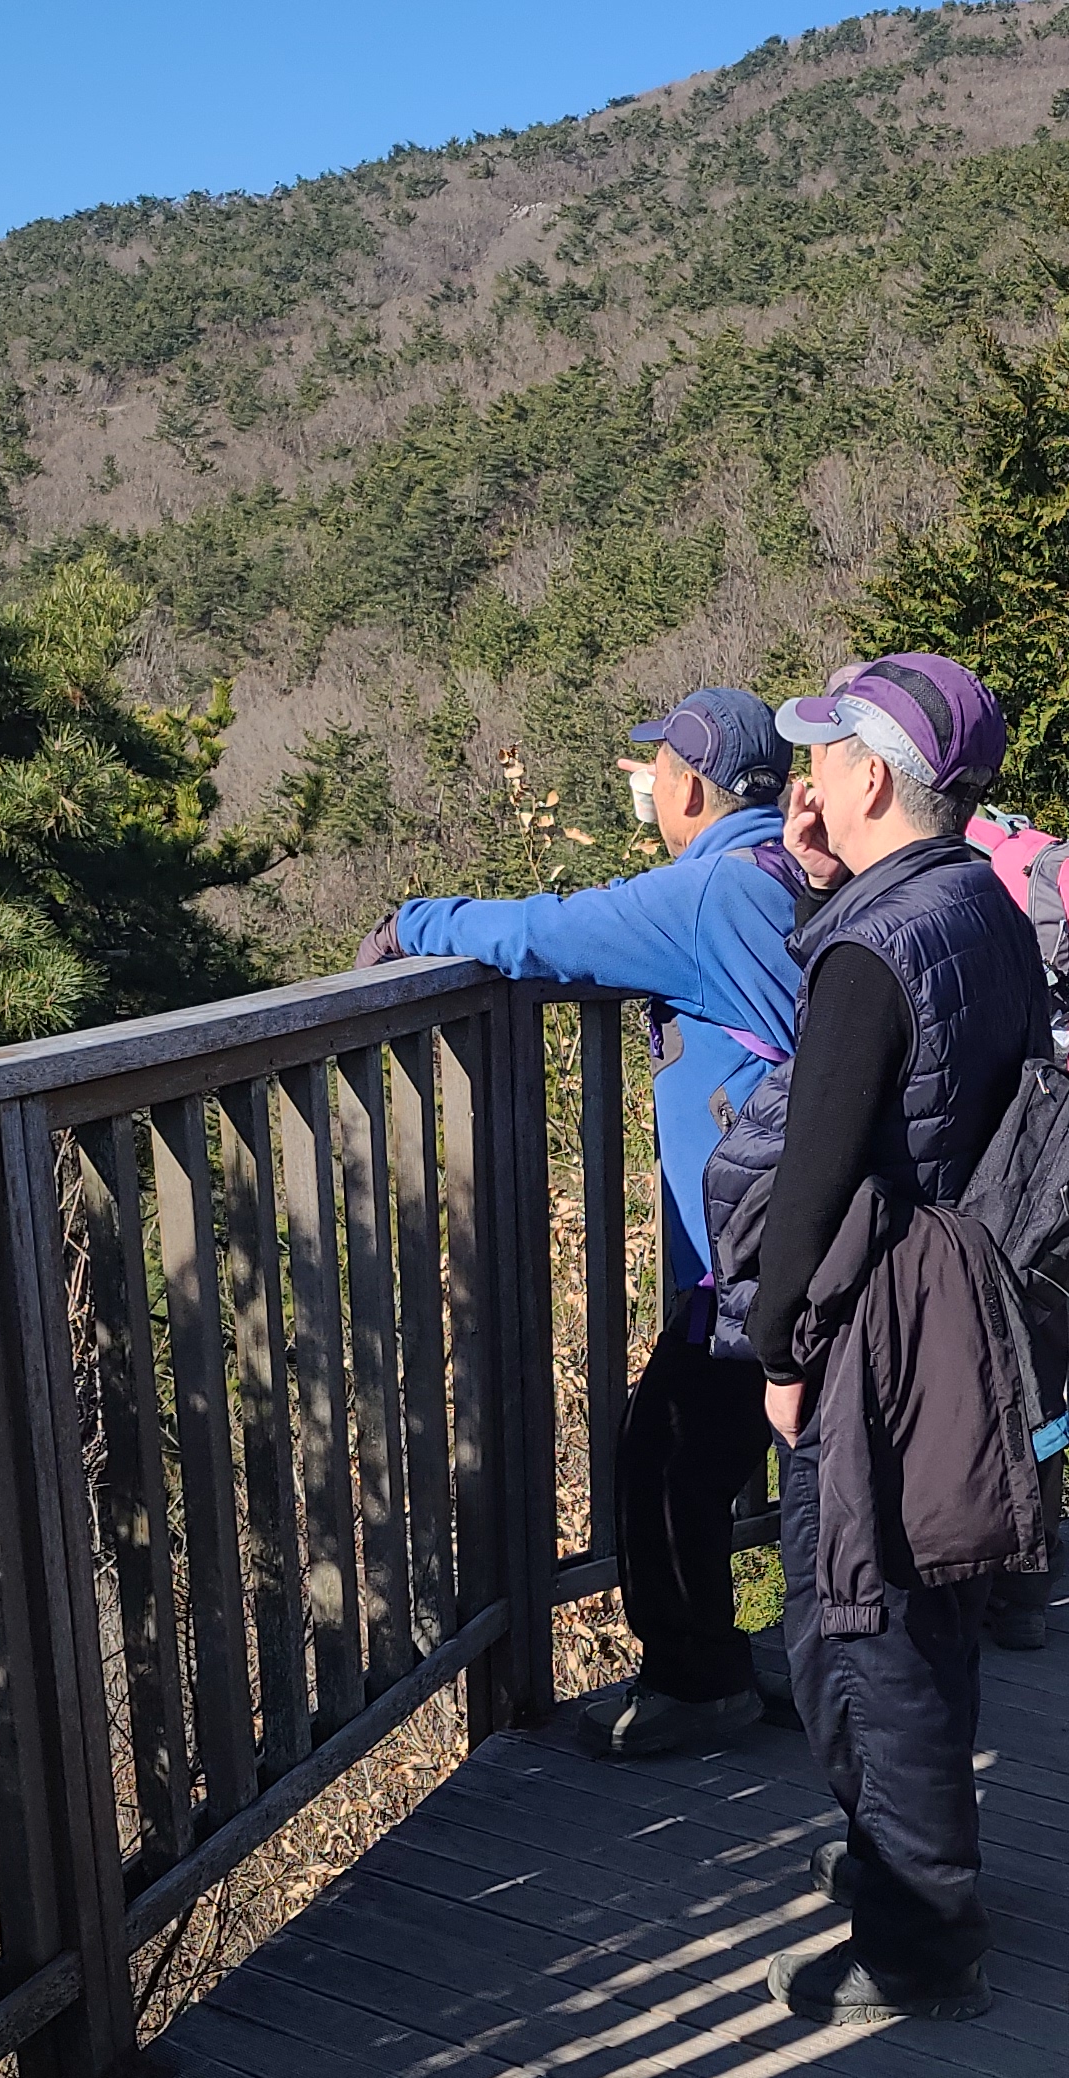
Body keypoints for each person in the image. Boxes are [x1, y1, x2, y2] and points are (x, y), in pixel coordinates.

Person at [368, 687, 807, 1754]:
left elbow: (545, 930)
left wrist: (412, 923)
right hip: (807, 1227)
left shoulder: (705, 894)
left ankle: (699, 1682)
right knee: (749, 1452)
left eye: (660, 770)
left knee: (663, 1454)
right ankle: (792, 1659)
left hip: (751, 1252)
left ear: (689, 786)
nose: (650, 788)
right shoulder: (793, 869)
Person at [754, 652, 1048, 2025]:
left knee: (859, 1625)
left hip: (875, 1318)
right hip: (964, 1300)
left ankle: (924, 1941)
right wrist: (827, 887)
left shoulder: (873, 952)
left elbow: (812, 1174)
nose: (805, 775)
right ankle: (901, 1860)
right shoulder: (977, 897)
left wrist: (776, 1348)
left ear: (870, 778)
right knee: (926, 1611)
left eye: (823, 753)